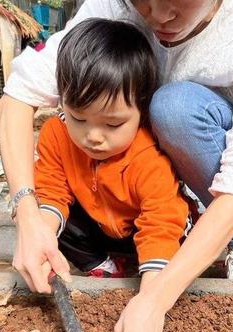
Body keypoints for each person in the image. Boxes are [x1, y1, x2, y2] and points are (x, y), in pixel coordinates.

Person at [0, 0, 233, 332]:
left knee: (174, 109)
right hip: (160, 145)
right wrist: (28, 215)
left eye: (177, 0)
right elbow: (20, 94)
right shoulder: (109, 9)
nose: (158, 16)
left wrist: (155, 299)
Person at [33, 18, 190, 282]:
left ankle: (147, 265)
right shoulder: (56, 135)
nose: (93, 137)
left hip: (145, 231)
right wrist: (42, 237)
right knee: (42, 216)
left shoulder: (148, 157)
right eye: (78, 118)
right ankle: (101, 263)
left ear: (142, 112)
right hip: (99, 227)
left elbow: (160, 222)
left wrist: (151, 295)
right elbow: (51, 190)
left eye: (113, 124)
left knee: (173, 243)